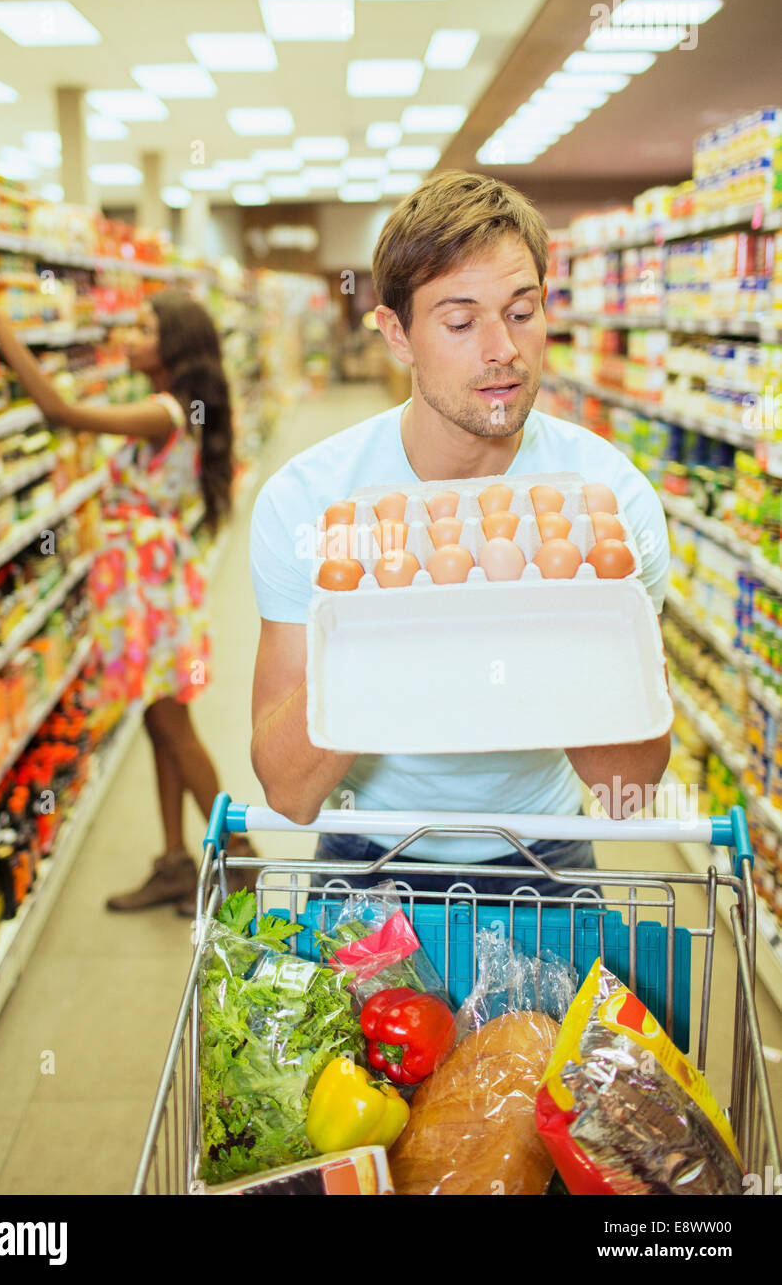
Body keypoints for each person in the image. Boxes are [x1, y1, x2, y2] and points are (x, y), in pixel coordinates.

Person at [248, 171, 671, 896]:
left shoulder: (610, 503)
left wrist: (553, 609)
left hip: (547, 851)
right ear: (396, 335)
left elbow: (629, 788)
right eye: (460, 321)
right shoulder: (310, 502)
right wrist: (390, 620)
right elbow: (288, 791)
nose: (501, 348)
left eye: (522, 310)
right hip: (366, 853)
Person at [0, 278, 252, 913]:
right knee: (157, 720)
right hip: (146, 582)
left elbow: (62, 412)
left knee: (174, 723)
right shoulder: (176, 405)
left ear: (173, 346)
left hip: (151, 589)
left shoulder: (165, 411)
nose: (128, 339)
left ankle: (244, 865)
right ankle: (174, 860)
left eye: (143, 330)